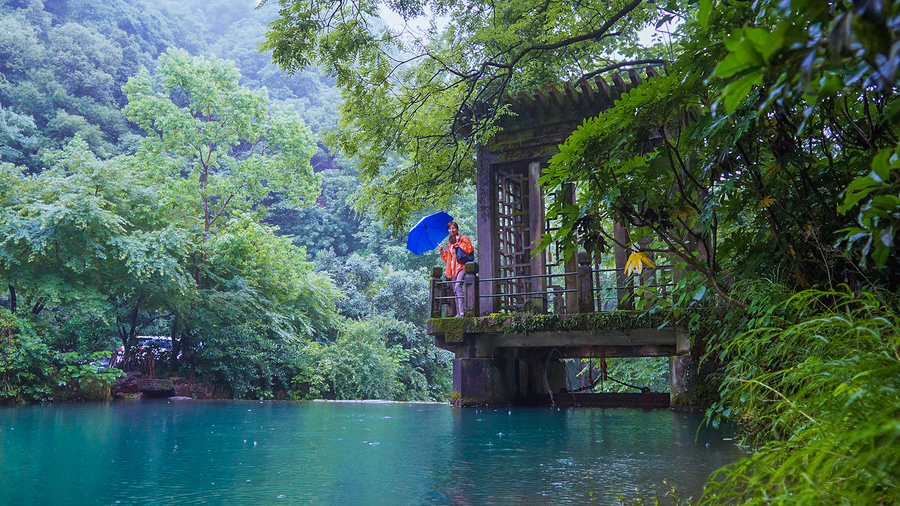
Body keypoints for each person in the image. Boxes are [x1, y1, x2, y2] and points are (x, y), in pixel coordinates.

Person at [439, 221, 475, 317]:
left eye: (453, 228)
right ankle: (458, 313)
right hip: (452, 268)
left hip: (461, 266)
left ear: (457, 229)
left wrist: (459, 243)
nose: (452, 230)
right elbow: (447, 258)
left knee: (457, 286)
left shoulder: (463, 238)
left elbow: (470, 248)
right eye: (450, 229)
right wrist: (442, 251)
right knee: (455, 290)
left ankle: (462, 311)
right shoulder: (449, 244)